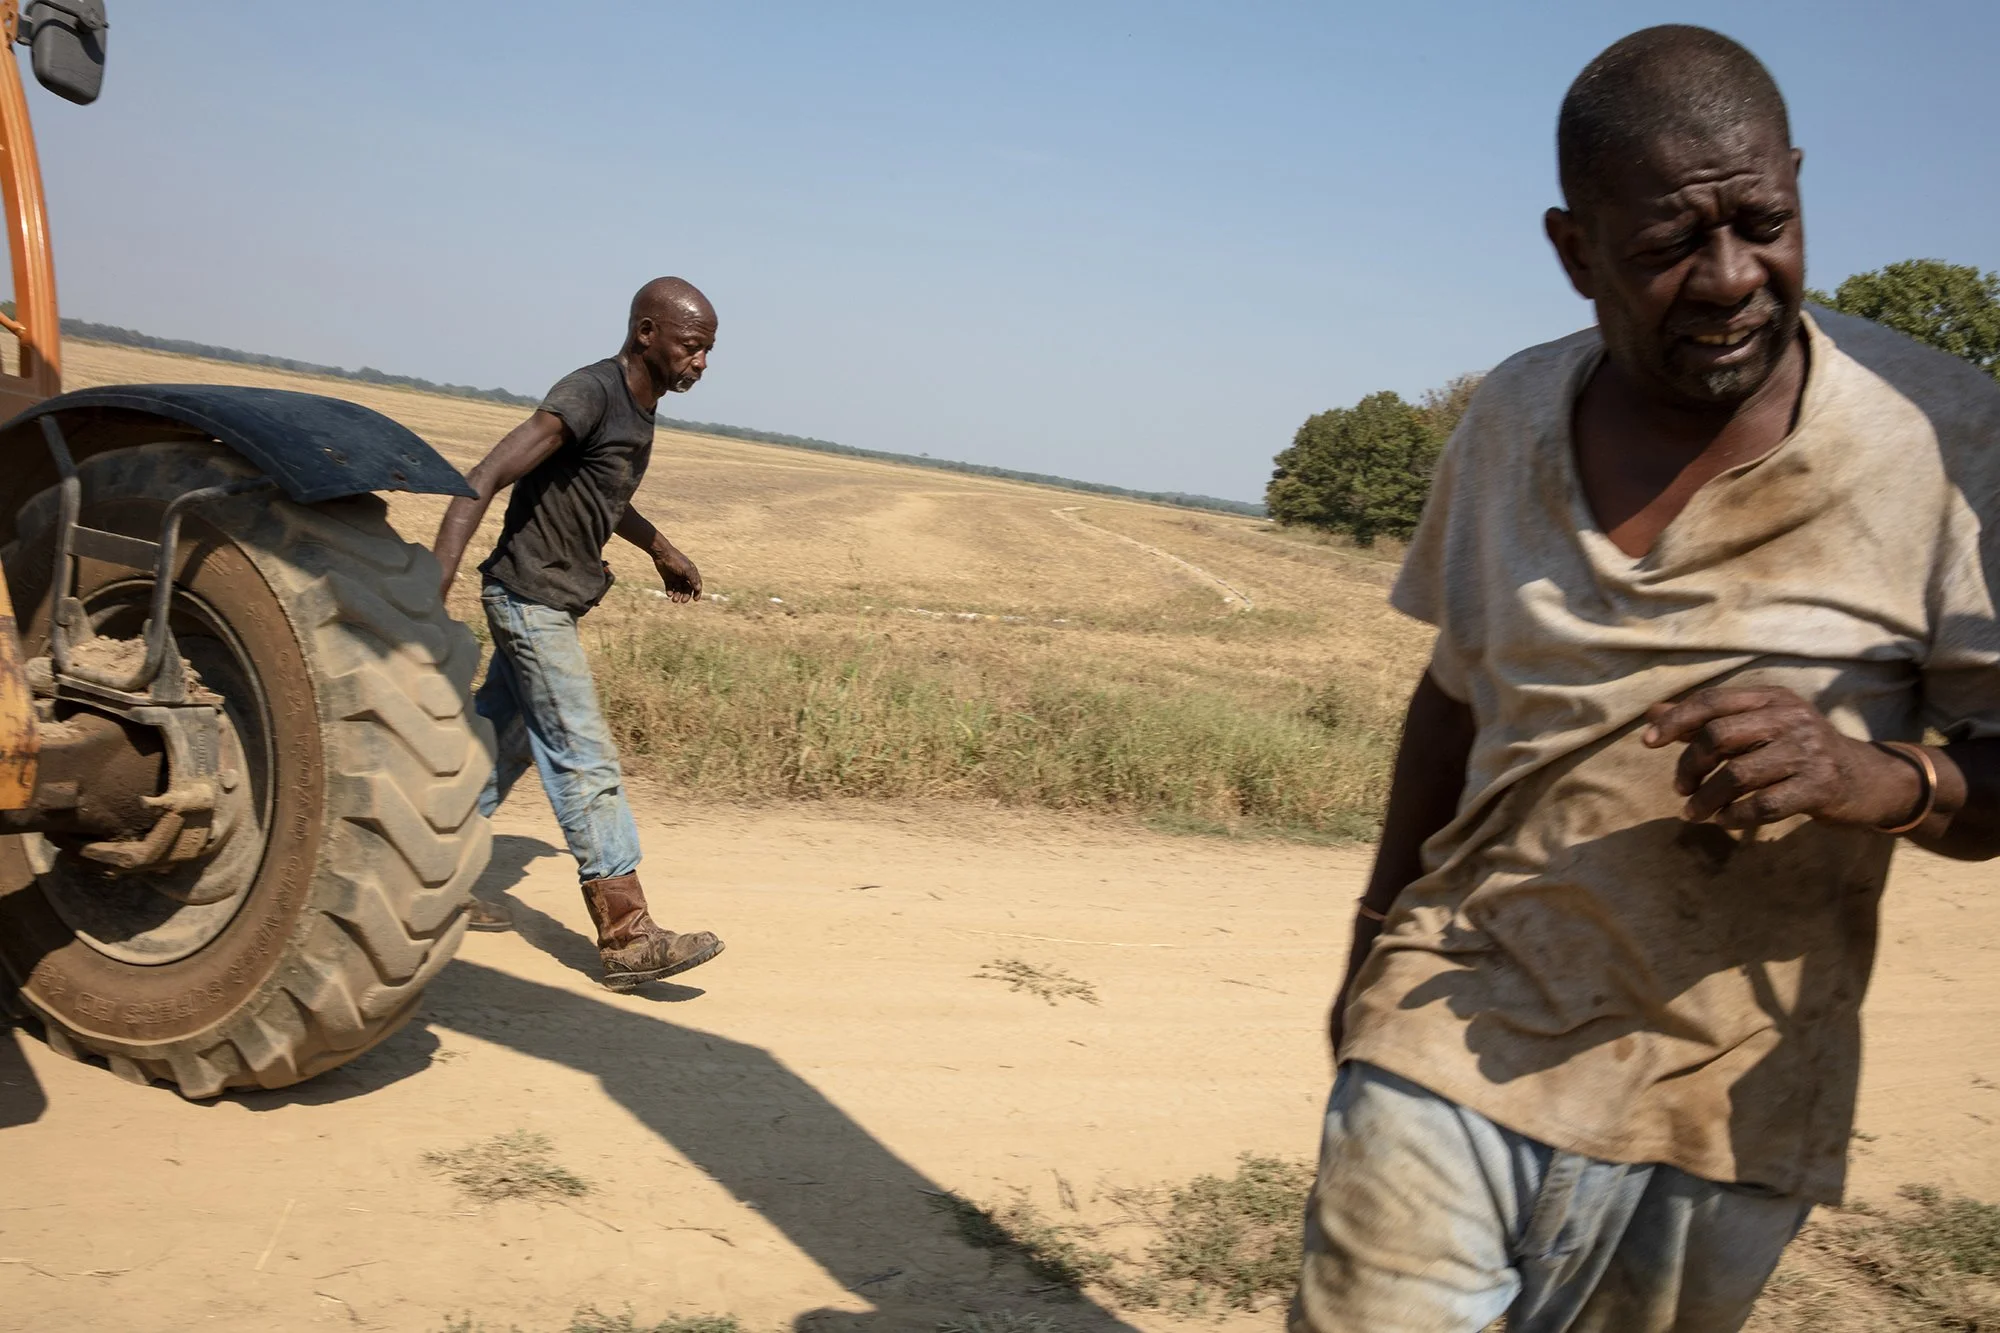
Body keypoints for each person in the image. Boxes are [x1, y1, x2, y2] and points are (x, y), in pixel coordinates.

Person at [1292, 26, 2000, 1333]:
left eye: (1763, 222)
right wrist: (1371, 937)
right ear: (1573, 250)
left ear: (1796, 183)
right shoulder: (1510, 419)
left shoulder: (1945, 444)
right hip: (1451, 1017)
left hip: (1723, 1099)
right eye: (1671, 243)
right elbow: (1453, 691)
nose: (1730, 278)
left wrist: (1870, 777)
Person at [432, 277, 726, 992]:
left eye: (710, 351)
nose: (702, 364)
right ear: (646, 333)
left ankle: (422, 873)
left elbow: (602, 490)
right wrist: (425, 592)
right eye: (692, 346)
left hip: (549, 598)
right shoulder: (590, 393)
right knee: (581, 749)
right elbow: (486, 474)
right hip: (529, 598)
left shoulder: (640, 408)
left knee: (496, 744)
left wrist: (659, 546)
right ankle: (627, 934)